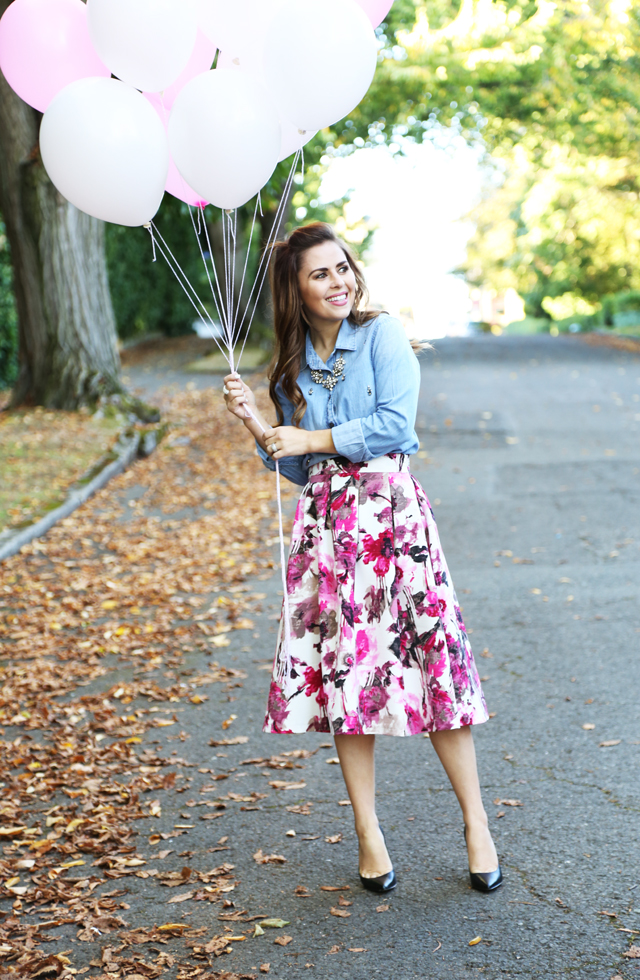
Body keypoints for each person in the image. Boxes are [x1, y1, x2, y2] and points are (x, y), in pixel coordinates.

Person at [223, 222, 502, 895]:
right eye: (320, 274)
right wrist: (259, 427)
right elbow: (299, 466)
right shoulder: (289, 369)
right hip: (326, 531)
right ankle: (369, 836)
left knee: (436, 666)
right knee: (346, 681)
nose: (338, 281)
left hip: (391, 521)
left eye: (342, 267)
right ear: (296, 289)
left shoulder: (381, 335)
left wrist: (311, 434)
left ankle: (476, 824)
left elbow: (394, 426)